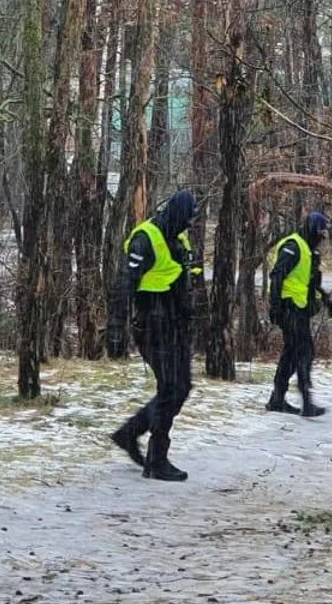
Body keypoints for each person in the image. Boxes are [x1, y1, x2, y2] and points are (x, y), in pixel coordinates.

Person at [111, 189, 202, 481]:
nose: (189, 226)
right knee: (172, 389)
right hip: (153, 325)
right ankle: (156, 459)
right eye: (187, 219)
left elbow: (186, 276)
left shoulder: (178, 237)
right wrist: (115, 327)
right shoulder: (145, 238)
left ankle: (131, 432)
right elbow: (124, 283)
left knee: (179, 388)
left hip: (176, 325)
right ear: (176, 214)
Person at [265, 211, 332, 417]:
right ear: (313, 230)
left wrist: (325, 300)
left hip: (300, 308)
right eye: (320, 235)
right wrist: (275, 306)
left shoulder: (309, 252)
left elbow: (310, 282)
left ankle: (277, 399)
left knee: (291, 353)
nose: (321, 240)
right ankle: (306, 400)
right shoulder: (293, 246)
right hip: (289, 307)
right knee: (304, 351)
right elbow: (277, 276)